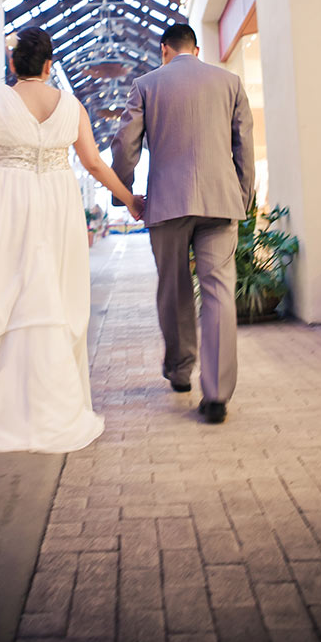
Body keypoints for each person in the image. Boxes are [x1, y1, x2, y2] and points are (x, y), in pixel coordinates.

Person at [0, 27, 142, 453]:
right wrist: (131, 202)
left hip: (7, 207)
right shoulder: (73, 106)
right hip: (57, 209)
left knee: (2, 294)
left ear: (14, 64)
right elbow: (96, 165)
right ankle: (52, 407)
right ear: (49, 66)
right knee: (51, 296)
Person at [110, 22, 254, 424]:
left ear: (165, 50)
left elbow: (125, 144)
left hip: (168, 203)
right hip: (220, 202)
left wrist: (125, 193)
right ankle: (217, 396)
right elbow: (244, 143)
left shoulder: (146, 85)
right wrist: (241, 197)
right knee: (218, 292)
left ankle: (179, 371)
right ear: (195, 48)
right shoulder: (229, 82)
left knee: (173, 290)